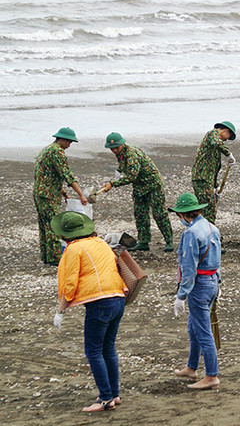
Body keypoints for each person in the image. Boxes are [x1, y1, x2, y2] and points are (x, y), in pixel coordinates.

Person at [52, 210, 127, 411]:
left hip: (100, 303)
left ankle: (105, 399)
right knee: (108, 347)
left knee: (93, 350)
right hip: (119, 297)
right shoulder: (101, 243)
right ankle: (114, 394)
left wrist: (60, 311)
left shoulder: (74, 249)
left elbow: (69, 284)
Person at [168, 193, 222, 391]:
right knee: (194, 328)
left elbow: (189, 268)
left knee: (203, 331)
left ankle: (211, 376)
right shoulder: (211, 227)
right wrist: (219, 283)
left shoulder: (191, 234)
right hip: (212, 282)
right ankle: (191, 368)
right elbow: (217, 260)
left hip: (199, 286)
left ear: (183, 215)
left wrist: (181, 296)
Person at [99, 133, 174, 252]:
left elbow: (131, 176)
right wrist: (116, 175)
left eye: (116, 147)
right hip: (140, 186)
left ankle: (169, 240)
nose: (114, 150)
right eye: (111, 148)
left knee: (159, 213)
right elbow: (124, 168)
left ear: (122, 144)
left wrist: (113, 184)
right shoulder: (121, 153)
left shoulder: (131, 155)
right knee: (140, 213)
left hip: (152, 184)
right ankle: (144, 241)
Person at [34, 127, 88, 265]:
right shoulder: (58, 152)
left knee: (44, 224)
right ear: (62, 139)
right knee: (53, 225)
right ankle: (55, 258)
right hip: (48, 195)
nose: (69, 145)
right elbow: (67, 175)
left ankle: (46, 256)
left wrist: (63, 191)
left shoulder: (47, 150)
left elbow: (47, 175)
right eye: (69, 142)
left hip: (40, 192)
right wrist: (81, 195)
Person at [191, 121, 236, 224]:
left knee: (206, 207)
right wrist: (228, 154)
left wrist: (216, 186)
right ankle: (209, 234)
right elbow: (217, 142)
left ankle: (204, 231)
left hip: (206, 180)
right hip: (201, 178)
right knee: (209, 208)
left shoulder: (215, 147)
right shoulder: (213, 134)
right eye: (227, 137)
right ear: (226, 131)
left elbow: (213, 168)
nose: (226, 140)